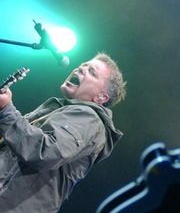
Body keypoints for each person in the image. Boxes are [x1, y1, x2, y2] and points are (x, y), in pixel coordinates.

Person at [0, 52, 127, 212]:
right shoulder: (66, 113)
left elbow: (44, 152)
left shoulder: (89, 119)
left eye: (92, 72)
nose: (81, 69)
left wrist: (6, 111)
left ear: (101, 97)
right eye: (83, 65)